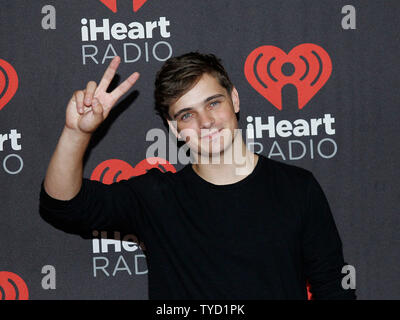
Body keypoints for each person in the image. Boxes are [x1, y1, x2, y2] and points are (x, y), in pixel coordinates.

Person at [39, 52, 356, 300]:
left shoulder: (297, 188)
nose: (206, 122)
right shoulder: (157, 197)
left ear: (234, 99)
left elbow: (334, 290)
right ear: (174, 128)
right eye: (187, 114)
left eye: (213, 103)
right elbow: (63, 205)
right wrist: (75, 133)